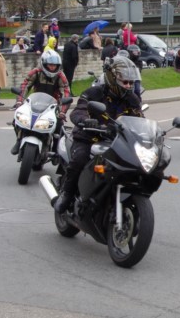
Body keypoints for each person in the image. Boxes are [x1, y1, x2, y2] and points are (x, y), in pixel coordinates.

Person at [53, 56, 144, 213]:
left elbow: (139, 118)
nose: (128, 86)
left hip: (115, 141)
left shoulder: (132, 99)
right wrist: (87, 121)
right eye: (125, 82)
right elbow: (78, 111)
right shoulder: (94, 93)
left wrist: (147, 132)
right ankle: (66, 194)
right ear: (112, 78)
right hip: (89, 138)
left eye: (131, 83)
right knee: (80, 159)